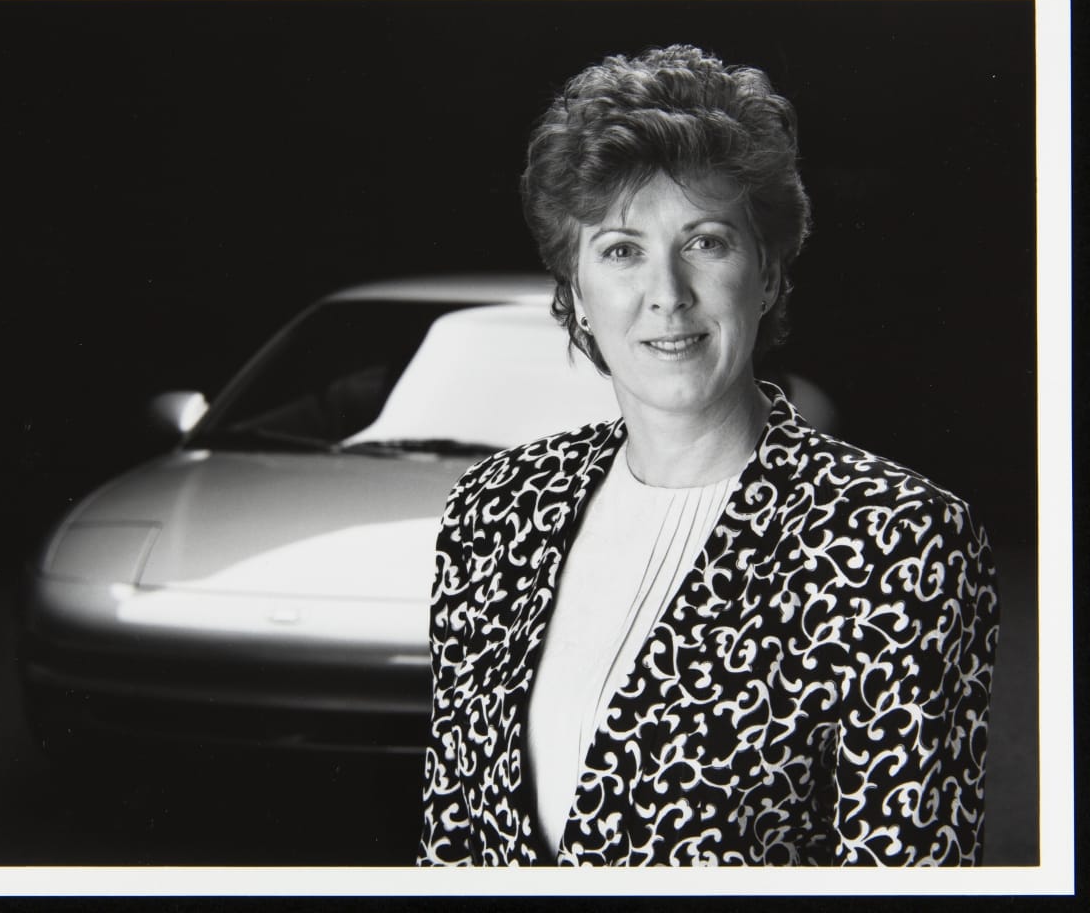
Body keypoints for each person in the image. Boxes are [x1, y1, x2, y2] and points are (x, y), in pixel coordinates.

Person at [416, 44, 998, 866]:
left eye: (706, 242)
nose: (667, 294)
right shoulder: (495, 510)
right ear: (576, 292)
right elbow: (451, 847)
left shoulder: (895, 541)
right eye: (621, 250)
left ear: (768, 274)